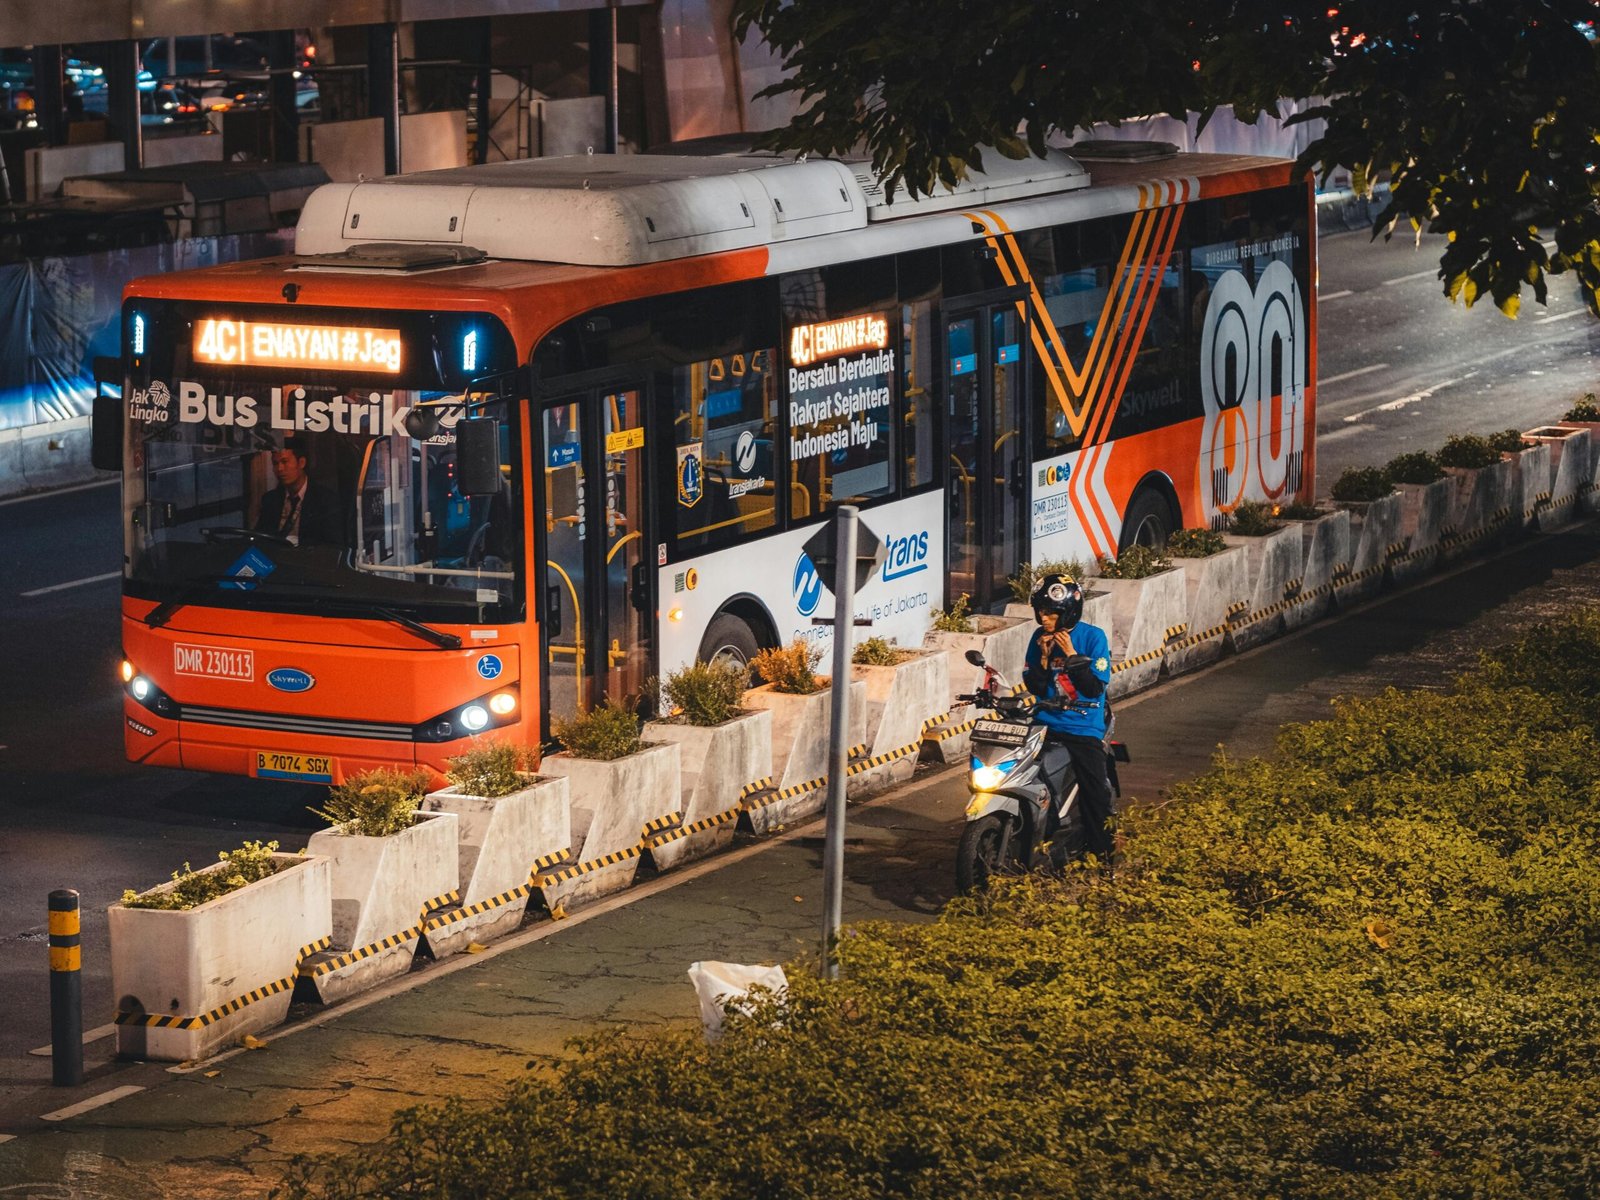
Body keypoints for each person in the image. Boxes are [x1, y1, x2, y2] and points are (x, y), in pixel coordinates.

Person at [1022, 572, 1116, 867]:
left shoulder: (1093, 637)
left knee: (1094, 795)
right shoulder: (1039, 638)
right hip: (1045, 723)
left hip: (1083, 725)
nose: (1044, 618)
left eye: (1051, 613)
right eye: (1041, 612)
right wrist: (1043, 661)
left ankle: (1104, 861)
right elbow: (1035, 687)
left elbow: (1093, 687)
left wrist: (1072, 654)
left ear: (1069, 612)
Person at [255, 440, 340, 546]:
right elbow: (260, 537)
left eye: (285, 462)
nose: (280, 469)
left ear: (301, 463)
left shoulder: (325, 500)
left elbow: (331, 545)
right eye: (275, 463)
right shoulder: (270, 499)